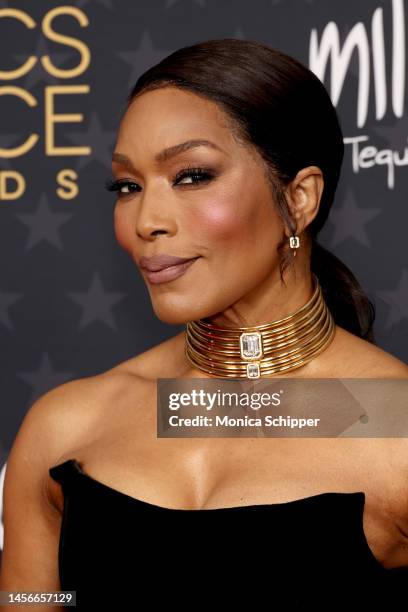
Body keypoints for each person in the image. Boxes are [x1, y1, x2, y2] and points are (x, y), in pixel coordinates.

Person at [1, 38, 407, 610]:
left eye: (191, 176)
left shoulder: (396, 428)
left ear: (299, 198)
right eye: (128, 186)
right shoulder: (65, 427)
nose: (147, 220)